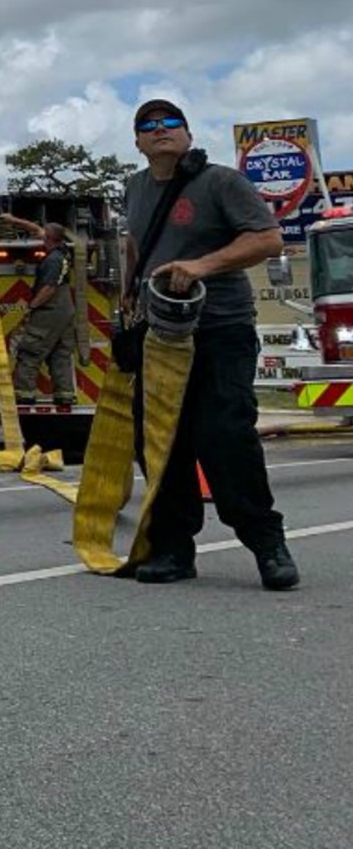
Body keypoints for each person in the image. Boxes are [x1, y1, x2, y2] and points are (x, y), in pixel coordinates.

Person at [123, 98, 296, 589]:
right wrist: (128, 288)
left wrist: (200, 266)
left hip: (220, 328)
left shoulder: (220, 182)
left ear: (189, 133)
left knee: (225, 436)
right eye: (149, 126)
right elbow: (136, 240)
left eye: (171, 122)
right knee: (160, 443)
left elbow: (268, 239)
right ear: (137, 142)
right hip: (159, 334)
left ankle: (267, 542)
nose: (161, 130)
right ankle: (174, 549)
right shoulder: (133, 187)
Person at [0, 214, 77, 406]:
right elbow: (36, 230)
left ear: (48, 239)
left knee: (30, 351)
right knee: (60, 353)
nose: (40, 236)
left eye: (44, 235)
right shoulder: (64, 249)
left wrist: (31, 307)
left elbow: (49, 288)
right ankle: (65, 395)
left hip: (50, 310)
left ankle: (24, 393)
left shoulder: (53, 260)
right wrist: (12, 220)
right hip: (65, 310)